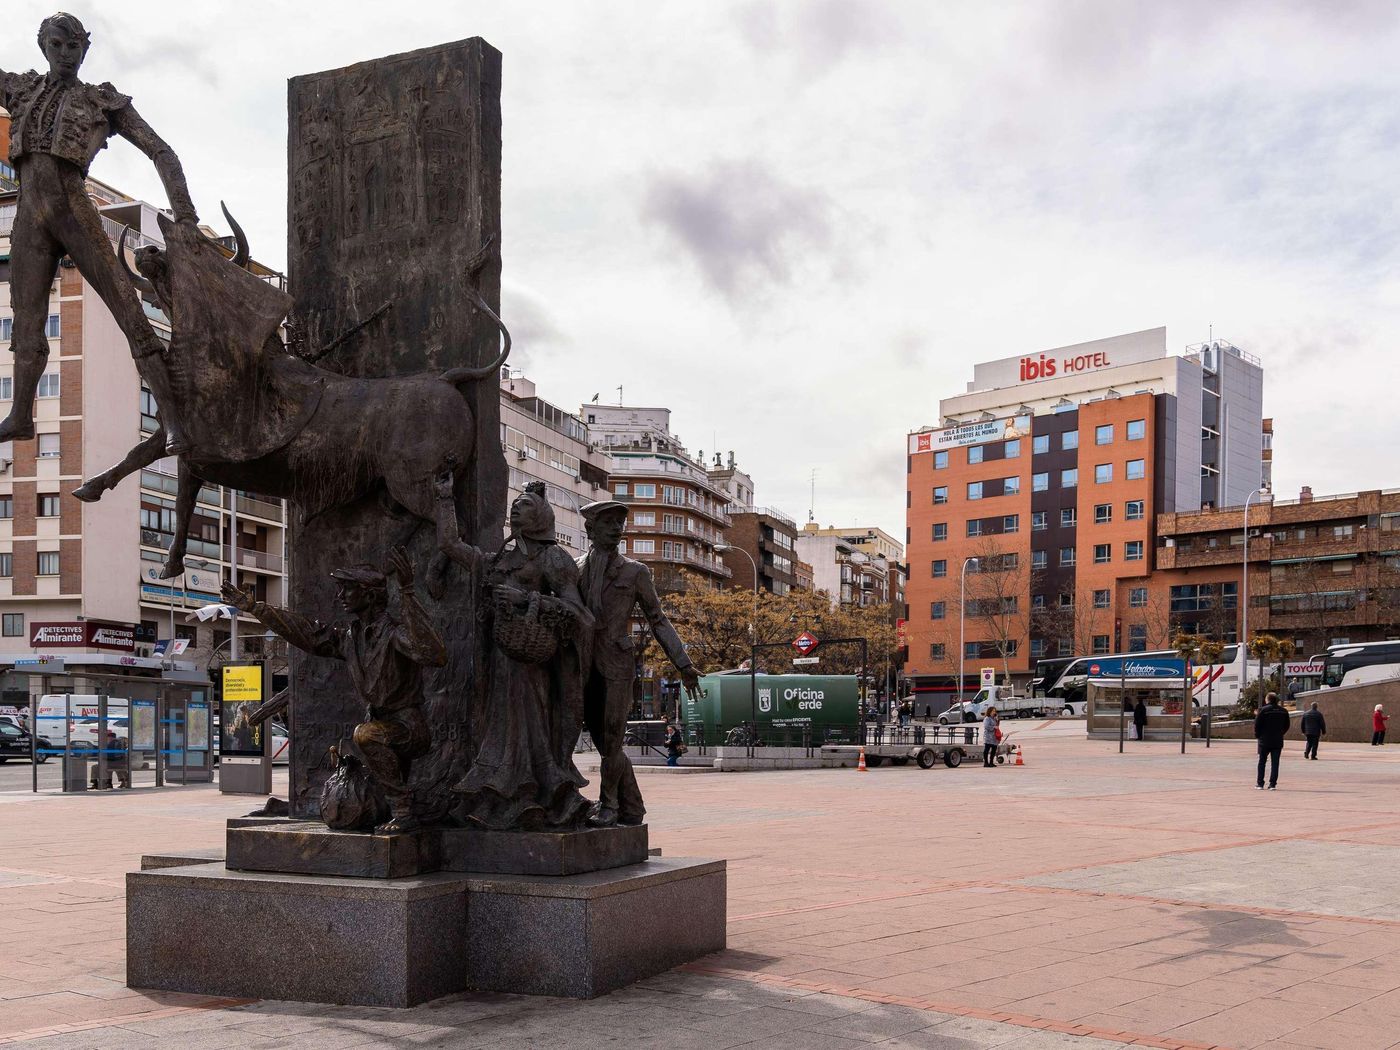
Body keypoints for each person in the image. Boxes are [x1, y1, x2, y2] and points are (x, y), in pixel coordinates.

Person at [0, 13, 197, 452]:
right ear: (44, 47)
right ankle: (21, 415)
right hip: (29, 214)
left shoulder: (102, 101)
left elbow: (161, 151)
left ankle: (173, 419)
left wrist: (185, 217)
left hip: (74, 209)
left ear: (85, 50)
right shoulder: (21, 88)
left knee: (129, 309)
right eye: (57, 45)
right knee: (26, 322)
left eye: (75, 47)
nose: (66, 54)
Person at [223, 546, 446, 833]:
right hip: (380, 724)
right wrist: (256, 608)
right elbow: (307, 632)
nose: (340, 596)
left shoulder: (393, 633)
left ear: (368, 594)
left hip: (408, 728)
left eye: (348, 589)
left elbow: (434, 654)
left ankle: (403, 811)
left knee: (365, 734)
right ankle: (393, 807)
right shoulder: (350, 637)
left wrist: (407, 591)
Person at [435, 478, 595, 830]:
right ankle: (500, 799)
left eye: (524, 504)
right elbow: (450, 544)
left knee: (530, 732)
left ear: (540, 515)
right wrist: (446, 496)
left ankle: (540, 797)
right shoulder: (499, 559)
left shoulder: (553, 557)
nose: (515, 508)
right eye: (515, 504)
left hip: (531, 666)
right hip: (498, 663)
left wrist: (527, 600)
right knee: (499, 733)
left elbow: (581, 615)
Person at [576, 499, 701, 828]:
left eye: (620, 523)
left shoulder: (635, 572)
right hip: (581, 666)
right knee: (604, 744)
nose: (617, 528)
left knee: (613, 739)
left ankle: (609, 806)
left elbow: (658, 620)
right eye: (609, 523)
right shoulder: (574, 568)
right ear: (590, 529)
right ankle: (633, 807)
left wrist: (684, 665)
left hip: (616, 665)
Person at [1254, 691, 1290, 790]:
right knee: (1275, 763)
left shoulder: (1263, 710)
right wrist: (1280, 733)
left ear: (1268, 700)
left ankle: (1260, 783)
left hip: (1264, 740)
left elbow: (1257, 725)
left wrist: (1258, 735)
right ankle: (1272, 784)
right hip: (1277, 740)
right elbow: (1287, 725)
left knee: (1262, 762)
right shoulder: (1283, 711)